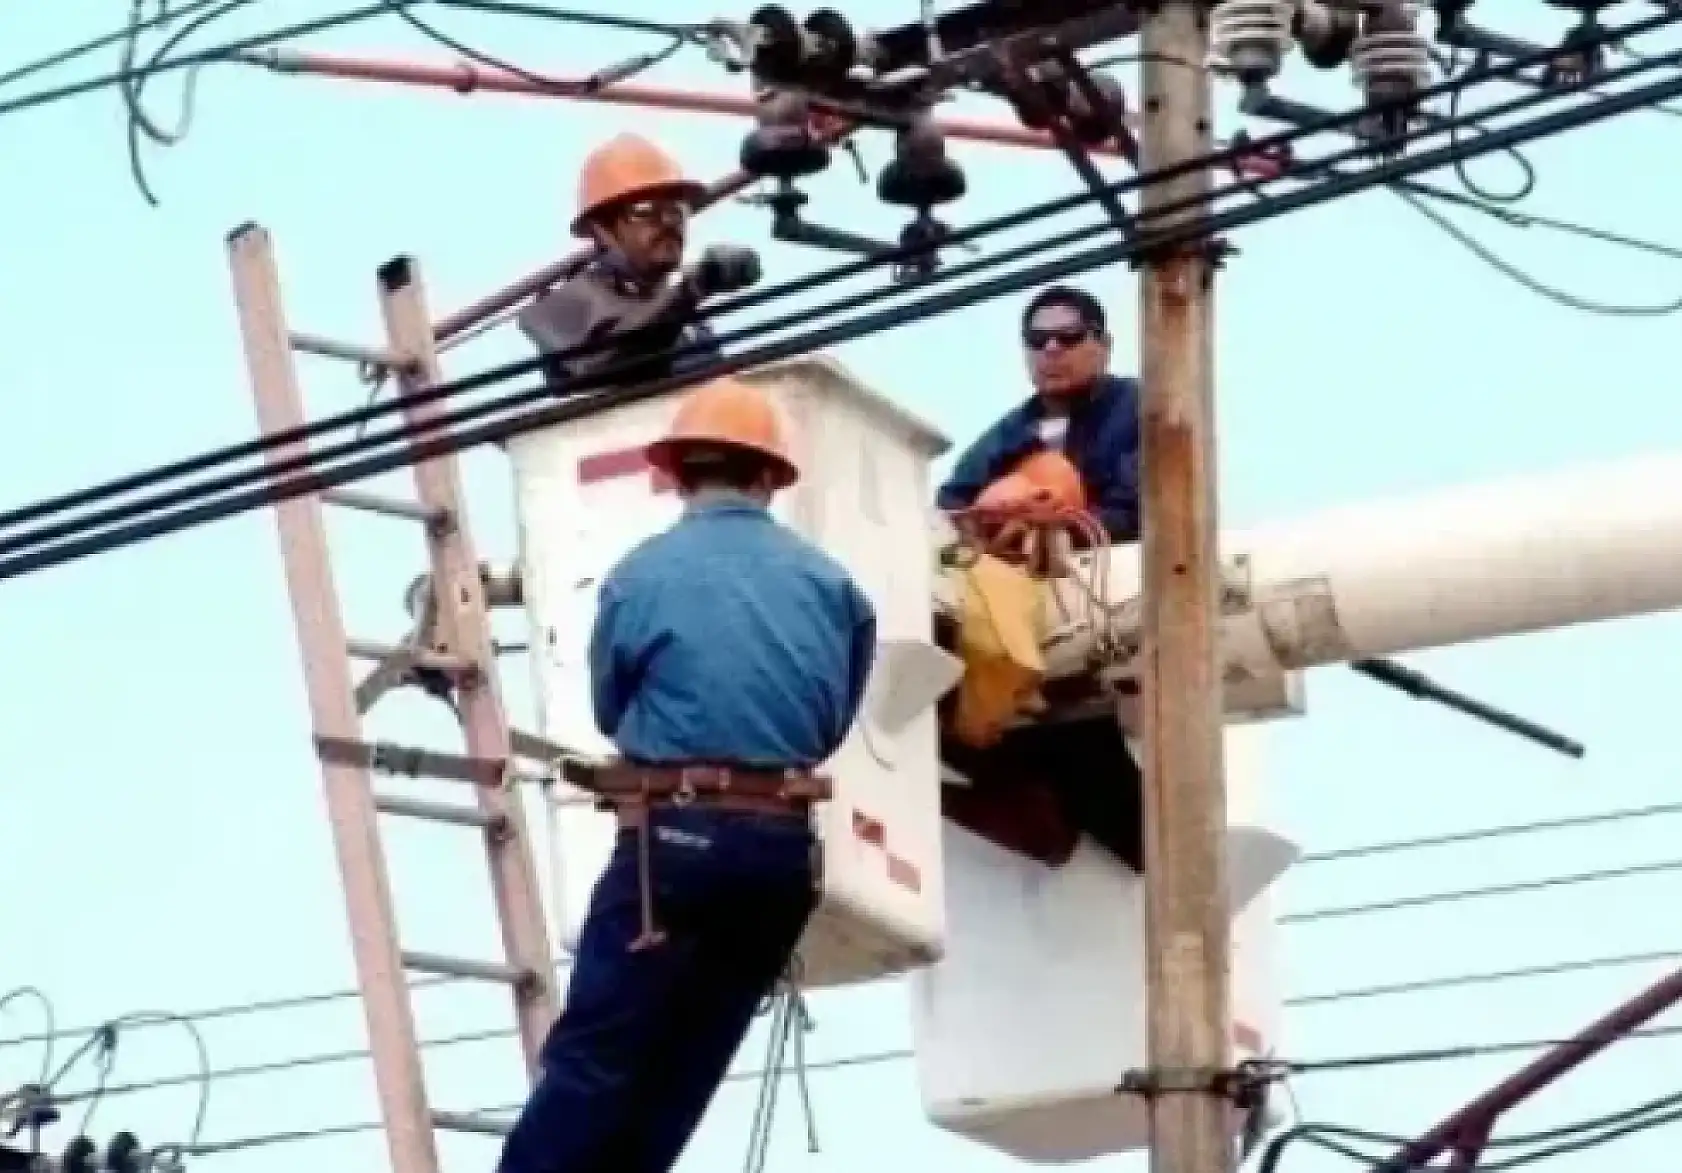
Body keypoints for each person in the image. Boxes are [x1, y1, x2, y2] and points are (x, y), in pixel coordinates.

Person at [495, 376, 878, 1173]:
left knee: (599, 1055)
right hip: (778, 853)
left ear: (676, 473)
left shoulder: (643, 573)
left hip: (672, 842)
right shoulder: (832, 585)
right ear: (769, 475)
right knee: (687, 1059)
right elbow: (831, 719)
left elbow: (610, 707)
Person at [518, 132, 760, 387]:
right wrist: (693, 288)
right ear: (601, 229)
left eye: (676, 210)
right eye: (644, 211)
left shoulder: (689, 319)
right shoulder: (558, 306)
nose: (668, 222)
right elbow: (605, 367)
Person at [935, 284, 1140, 545]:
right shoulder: (1010, 430)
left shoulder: (1140, 407)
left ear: (1104, 346)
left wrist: (1057, 526)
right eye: (1037, 340)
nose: (1051, 349)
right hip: (1015, 577)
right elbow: (950, 504)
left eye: (1069, 337)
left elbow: (1140, 512)